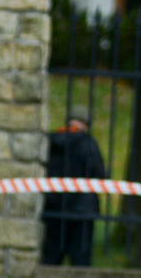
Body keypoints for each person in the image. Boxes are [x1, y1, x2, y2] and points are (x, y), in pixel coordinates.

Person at [42, 106, 107, 266]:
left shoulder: (50, 142)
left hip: (54, 207)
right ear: (85, 124)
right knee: (80, 260)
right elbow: (100, 174)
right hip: (81, 211)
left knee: (51, 258)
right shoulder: (88, 144)